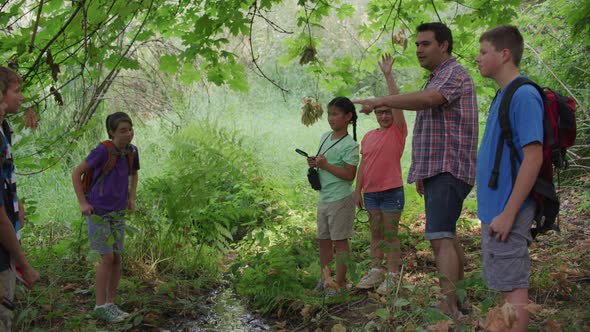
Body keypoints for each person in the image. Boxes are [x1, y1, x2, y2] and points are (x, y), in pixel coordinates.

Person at [354, 22, 478, 317]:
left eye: (425, 44)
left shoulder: (453, 74)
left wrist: (382, 100)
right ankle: (460, 300)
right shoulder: (437, 76)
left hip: (449, 168)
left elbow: (428, 101)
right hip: (437, 170)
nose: (419, 49)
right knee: (448, 235)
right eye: (417, 44)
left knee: (440, 237)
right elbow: (434, 122)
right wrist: (423, 171)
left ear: (444, 45)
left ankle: (448, 307)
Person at [476, 25, 543, 332]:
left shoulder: (524, 95)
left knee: (514, 288)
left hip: (507, 211)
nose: (477, 58)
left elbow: (533, 157)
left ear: (504, 54)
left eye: (483, 52)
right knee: (505, 285)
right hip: (497, 210)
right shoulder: (502, 95)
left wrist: (508, 212)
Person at [72, 112, 139, 322]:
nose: (128, 134)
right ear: (112, 132)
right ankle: (99, 305)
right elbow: (76, 173)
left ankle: (111, 303)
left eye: (130, 129)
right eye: (122, 131)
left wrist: (131, 198)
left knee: (117, 256)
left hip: (117, 212)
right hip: (98, 212)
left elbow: (133, 173)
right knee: (106, 257)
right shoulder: (103, 151)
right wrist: (83, 203)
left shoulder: (132, 151)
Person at [354, 54, 407, 295]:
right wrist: (358, 191)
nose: (384, 116)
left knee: (390, 234)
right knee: (375, 233)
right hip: (372, 194)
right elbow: (363, 165)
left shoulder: (397, 131)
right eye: (380, 112)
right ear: (375, 115)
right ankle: (376, 272)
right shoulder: (369, 136)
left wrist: (388, 75)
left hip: (391, 192)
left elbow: (396, 101)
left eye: (387, 112)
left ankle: (393, 275)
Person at [0, 67, 40, 331]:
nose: (22, 97)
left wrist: (16, 203)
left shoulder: (4, 128)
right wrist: (24, 264)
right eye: (16, 91)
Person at [307, 97, 359, 294]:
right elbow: (323, 163)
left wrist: (325, 165)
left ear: (348, 117)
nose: (331, 118)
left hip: (341, 199)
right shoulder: (325, 137)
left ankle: (339, 283)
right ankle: (325, 279)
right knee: (323, 240)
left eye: (335, 114)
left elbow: (349, 175)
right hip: (325, 197)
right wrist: (314, 163)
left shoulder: (350, 145)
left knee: (340, 241)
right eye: (329, 114)